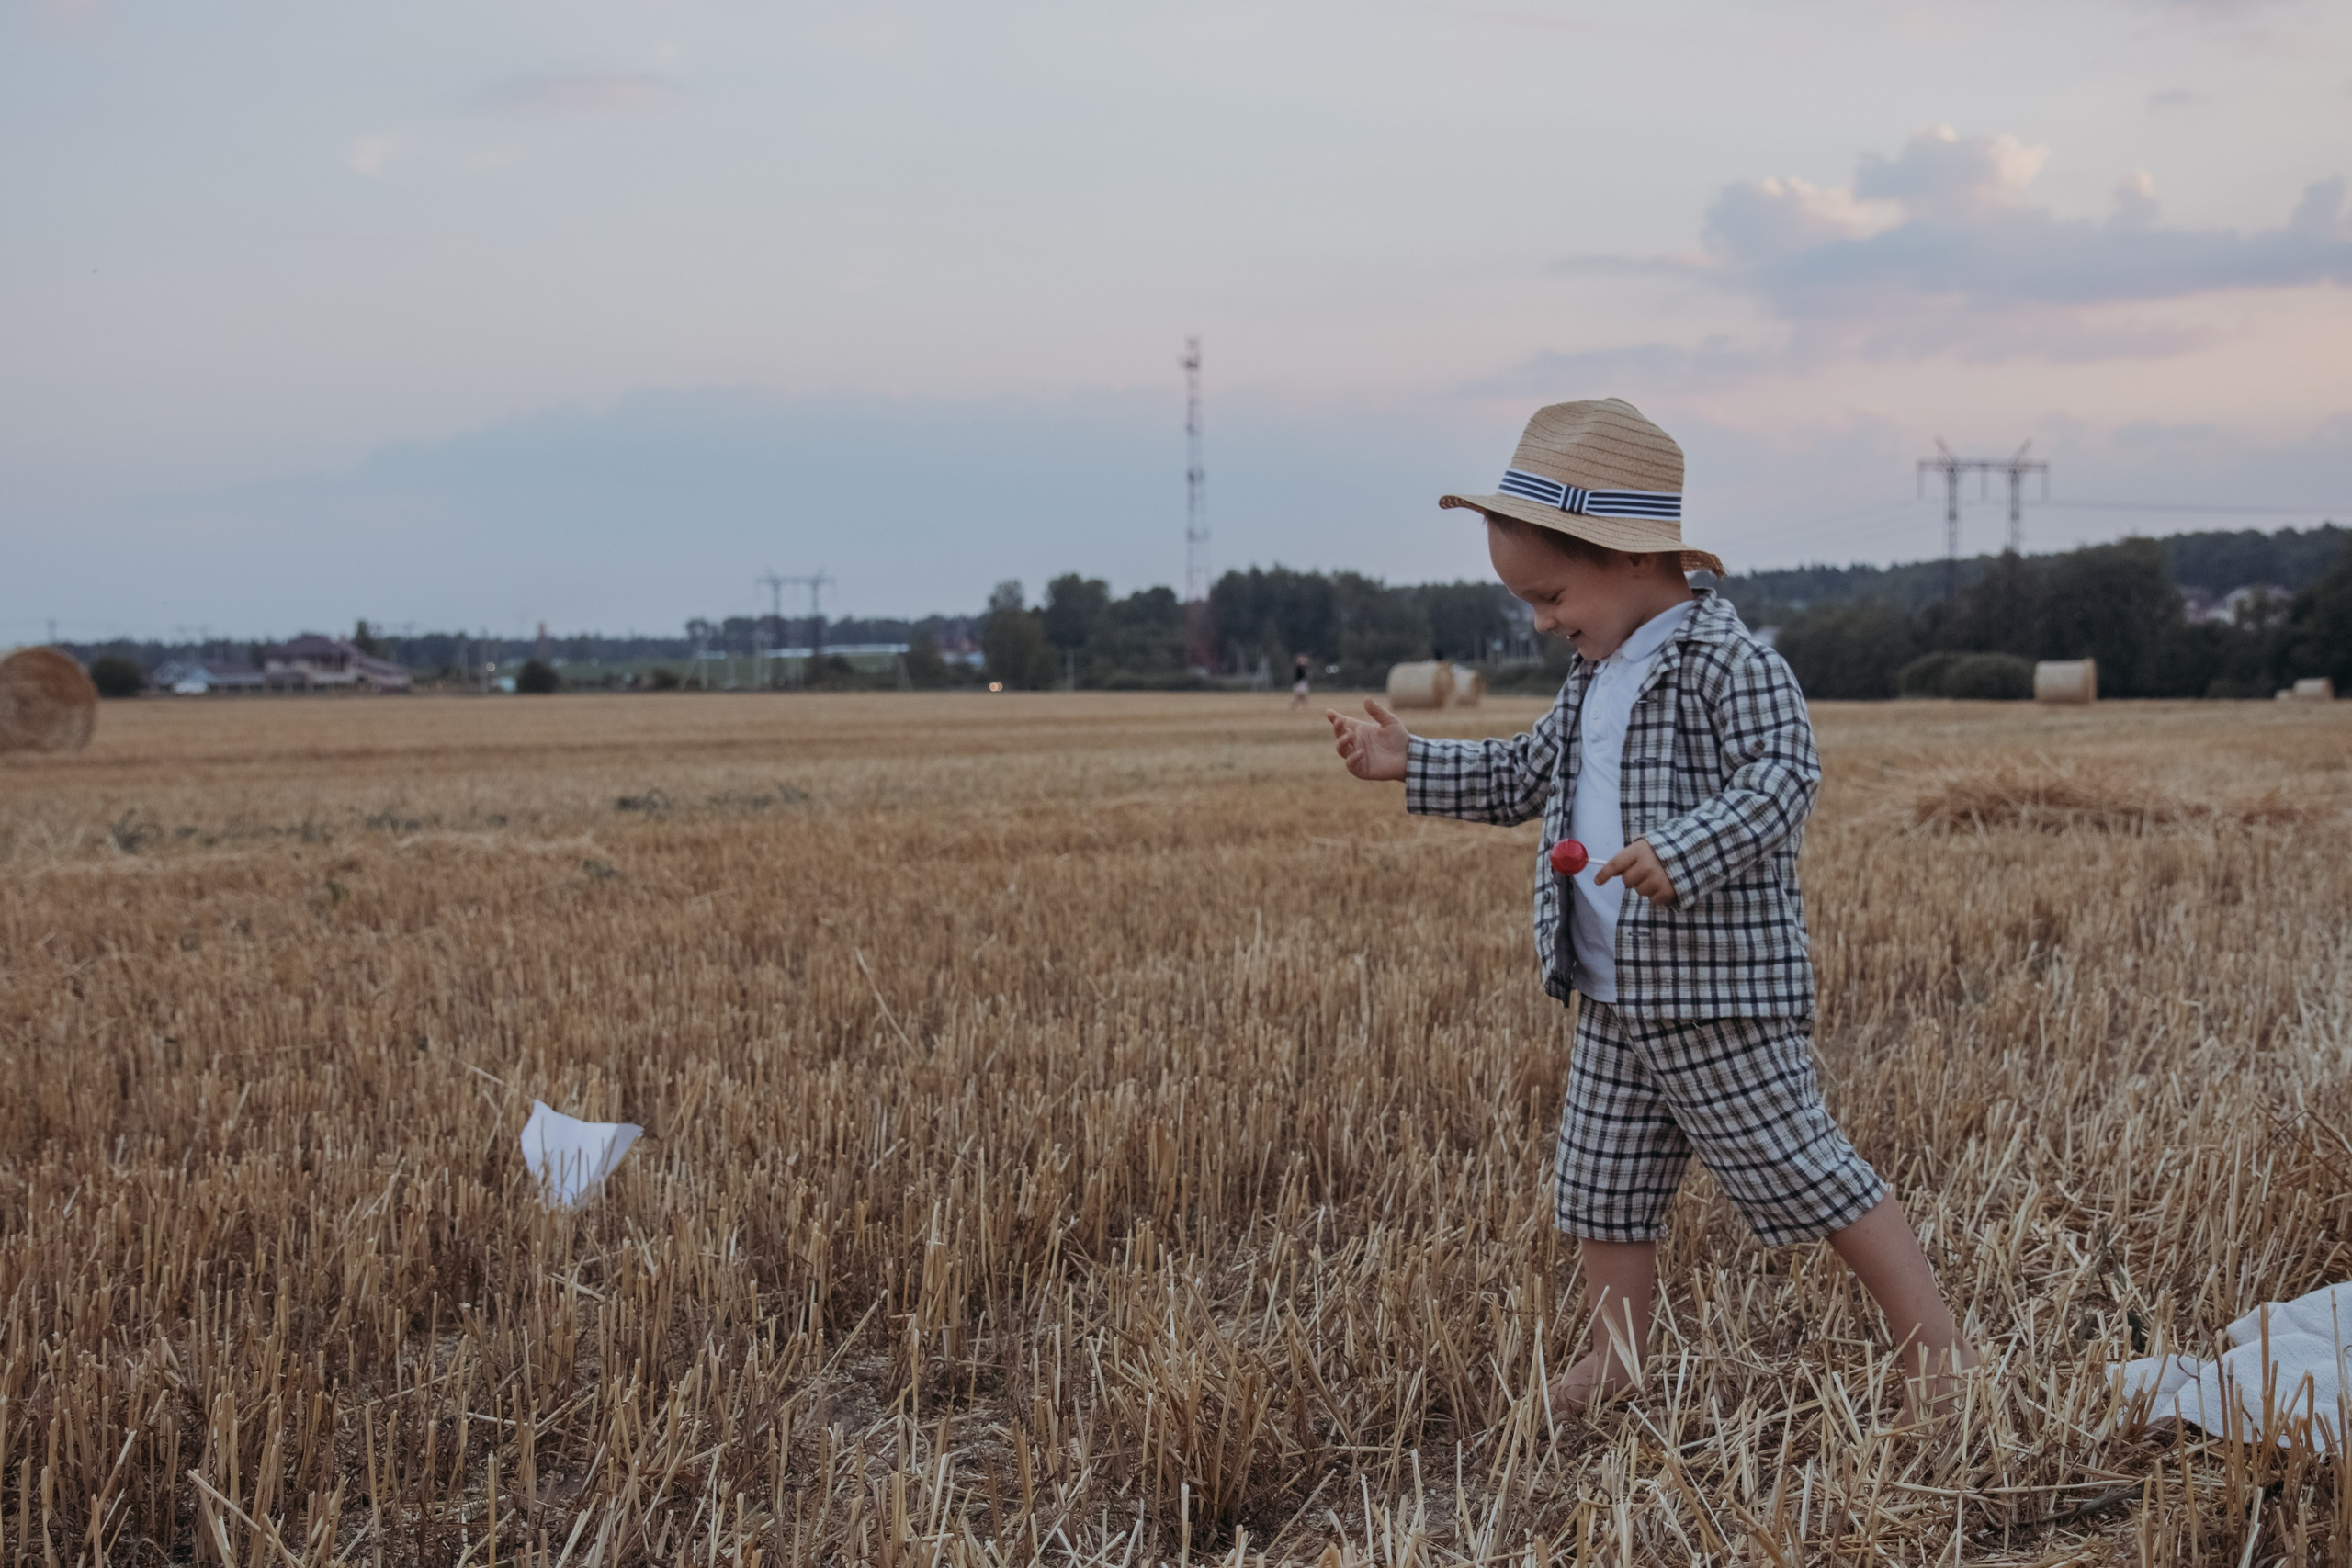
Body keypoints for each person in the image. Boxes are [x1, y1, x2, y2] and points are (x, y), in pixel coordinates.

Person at [1324, 399, 1978, 1424]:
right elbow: (1522, 776)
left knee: (1806, 1171)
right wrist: (1412, 763)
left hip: (1717, 996)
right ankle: (1616, 1361)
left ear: (1629, 557)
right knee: (1600, 1188)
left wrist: (1684, 848)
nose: (1539, 620)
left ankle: (1940, 1361)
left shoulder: (1731, 662)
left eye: (1548, 593)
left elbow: (1783, 777)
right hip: (1613, 997)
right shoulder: (1592, 676)